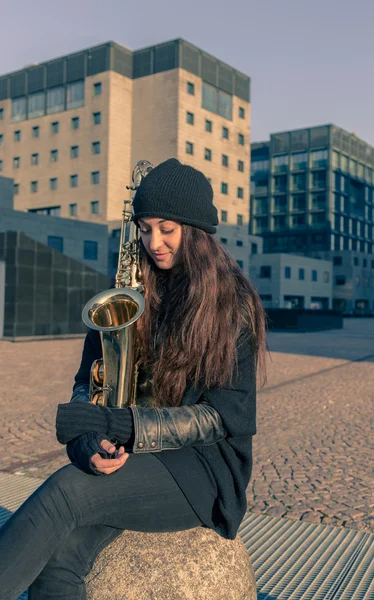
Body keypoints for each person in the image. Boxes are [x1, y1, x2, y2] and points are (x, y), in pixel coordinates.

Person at [0, 158, 268, 600]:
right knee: (59, 560)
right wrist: (90, 441)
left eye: (166, 228)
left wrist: (123, 426)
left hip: (201, 468)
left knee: (65, 491)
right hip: (133, 454)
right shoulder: (130, 288)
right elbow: (88, 380)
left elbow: (223, 417)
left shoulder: (231, 303)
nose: (154, 242)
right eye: (144, 229)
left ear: (196, 231)